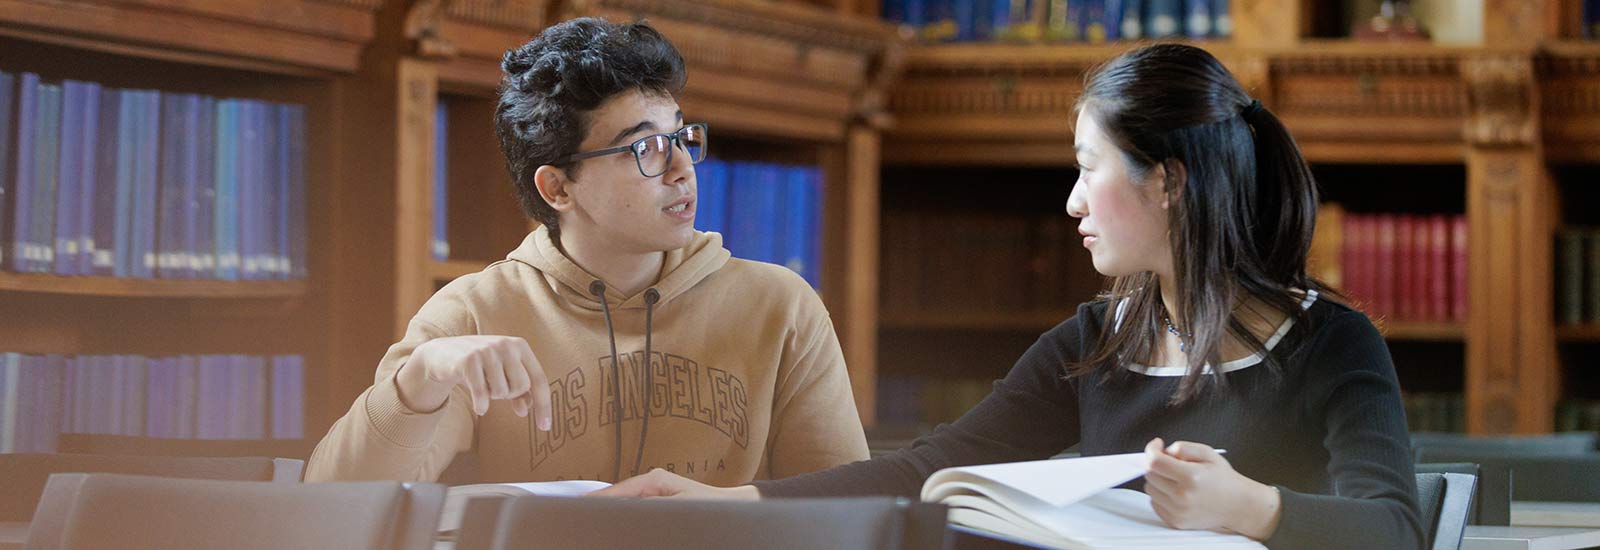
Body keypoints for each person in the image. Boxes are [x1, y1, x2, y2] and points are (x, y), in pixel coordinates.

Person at [595, 43, 1423, 549]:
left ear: (1169, 182)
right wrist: (726, 501)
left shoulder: (1332, 343)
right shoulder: (1095, 341)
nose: (1071, 202)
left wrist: (1254, 509)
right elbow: (931, 468)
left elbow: (1395, 529)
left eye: (1088, 168)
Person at [305, 17, 868, 485]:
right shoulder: (475, 312)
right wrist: (419, 380)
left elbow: (849, 517)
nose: (682, 169)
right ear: (558, 188)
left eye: (681, 137)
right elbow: (332, 504)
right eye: (646, 147)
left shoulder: (781, 305)